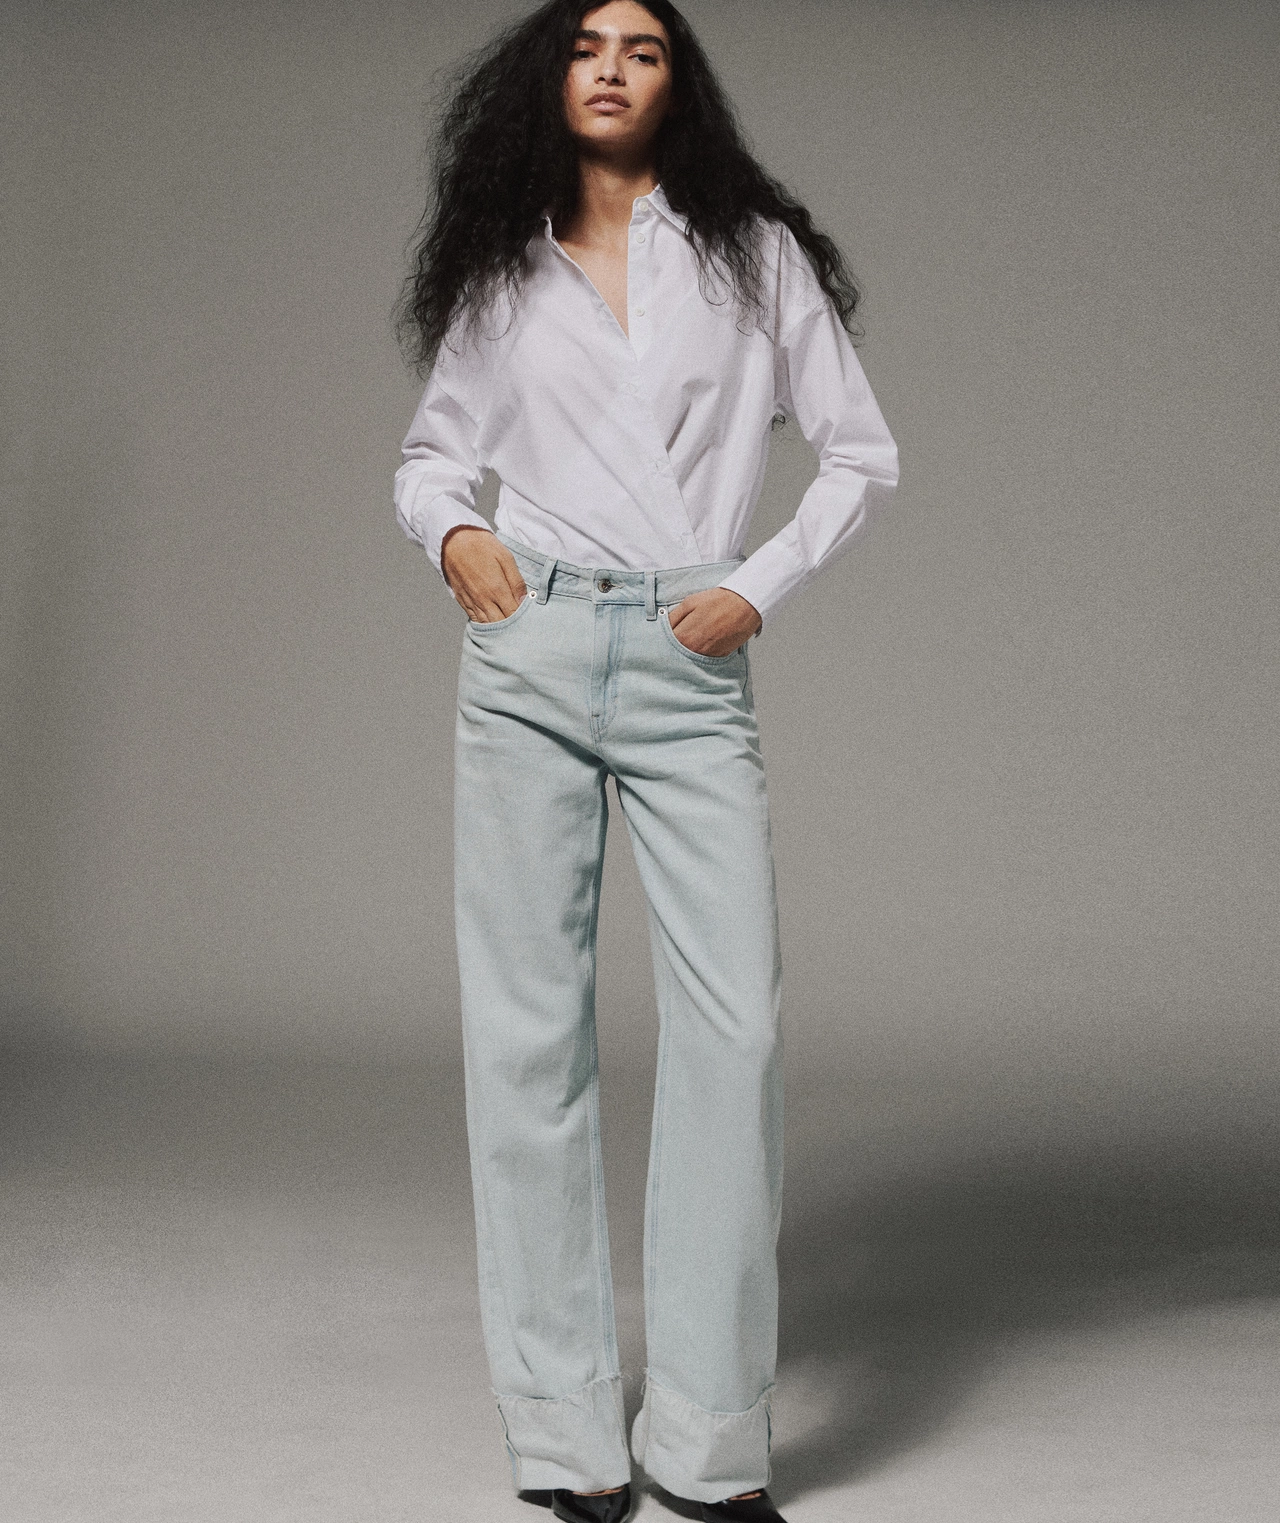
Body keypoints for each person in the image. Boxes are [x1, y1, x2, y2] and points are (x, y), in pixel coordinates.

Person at [392, 2, 898, 1518]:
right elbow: (430, 456)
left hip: (690, 654)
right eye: (585, 44)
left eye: (644, 47)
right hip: (530, 652)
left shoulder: (751, 259)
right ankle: (561, 1437)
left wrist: (760, 584)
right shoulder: (505, 268)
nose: (611, 66)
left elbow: (860, 452)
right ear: (548, 76)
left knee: (733, 1035)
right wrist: (458, 535)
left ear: (679, 83)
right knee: (528, 1040)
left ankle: (707, 1441)